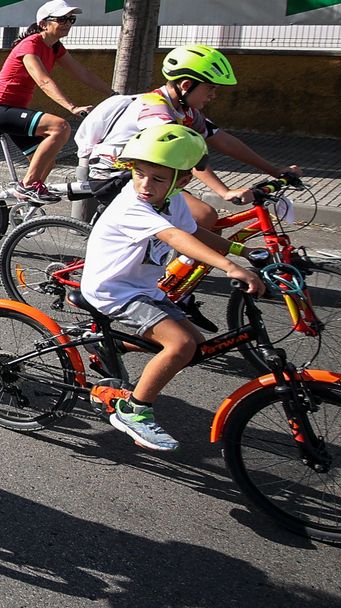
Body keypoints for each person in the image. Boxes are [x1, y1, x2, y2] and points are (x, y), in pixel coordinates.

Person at [79, 123, 265, 451]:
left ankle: (107, 343)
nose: (145, 185)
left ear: (182, 182)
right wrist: (230, 267)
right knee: (179, 345)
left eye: (158, 178)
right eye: (138, 173)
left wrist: (245, 252)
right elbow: (175, 237)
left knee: (195, 344)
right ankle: (133, 411)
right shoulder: (132, 205)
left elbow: (193, 232)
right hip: (114, 289)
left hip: (143, 288)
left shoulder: (174, 201)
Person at [80, 45, 300, 231]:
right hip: (117, 177)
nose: (213, 96)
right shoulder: (155, 109)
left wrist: (274, 170)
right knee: (204, 216)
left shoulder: (185, 111)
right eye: (210, 89)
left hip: (151, 175)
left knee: (202, 224)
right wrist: (224, 191)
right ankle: (169, 279)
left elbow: (224, 141)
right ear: (186, 85)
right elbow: (180, 154)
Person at [0, 0, 111, 203]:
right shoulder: (30, 44)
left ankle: (25, 209)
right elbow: (43, 81)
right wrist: (72, 107)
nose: (68, 23)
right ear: (44, 23)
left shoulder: (55, 47)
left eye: (71, 19)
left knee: (46, 162)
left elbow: (82, 73)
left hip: (14, 109)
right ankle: (28, 187)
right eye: (61, 19)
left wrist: (114, 94)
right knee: (59, 127)